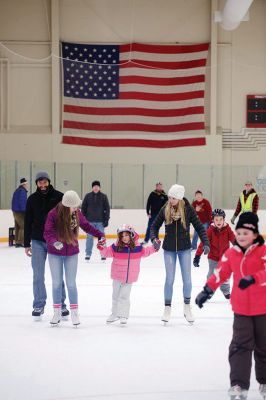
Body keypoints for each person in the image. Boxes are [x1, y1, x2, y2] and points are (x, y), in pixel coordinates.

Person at [195, 212, 266, 399]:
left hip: (263, 309)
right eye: (239, 233)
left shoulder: (263, 252)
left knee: (264, 346)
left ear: (255, 234)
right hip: (241, 309)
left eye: (246, 233)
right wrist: (207, 290)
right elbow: (221, 273)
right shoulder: (231, 253)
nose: (242, 237)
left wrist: (253, 278)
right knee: (240, 346)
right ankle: (238, 384)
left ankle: (265, 382)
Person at [150, 184, 210, 324]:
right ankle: (167, 308)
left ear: (180, 198)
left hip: (185, 249)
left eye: (173, 198)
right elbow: (154, 226)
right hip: (169, 249)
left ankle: (187, 307)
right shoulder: (165, 208)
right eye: (170, 197)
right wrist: (154, 239)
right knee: (169, 279)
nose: (170, 200)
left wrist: (206, 243)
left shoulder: (188, 210)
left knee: (187, 279)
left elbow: (200, 228)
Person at [44, 190, 105, 327]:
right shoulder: (53, 214)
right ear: (66, 206)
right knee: (56, 283)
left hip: (71, 252)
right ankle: (57, 312)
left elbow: (86, 226)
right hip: (55, 253)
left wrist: (100, 234)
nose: (77, 208)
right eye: (74, 206)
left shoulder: (77, 214)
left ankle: (74, 313)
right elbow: (48, 232)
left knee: (71, 283)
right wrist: (54, 242)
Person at [24, 171, 68, 318]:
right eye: (39, 182)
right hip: (37, 241)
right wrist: (26, 243)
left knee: (57, 274)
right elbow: (27, 221)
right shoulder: (32, 199)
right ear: (36, 183)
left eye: (45, 182)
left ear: (49, 181)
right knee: (37, 275)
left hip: (55, 241)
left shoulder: (59, 197)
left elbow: (66, 219)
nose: (42, 185)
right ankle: (38, 305)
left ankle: (61, 305)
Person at [97, 224, 160, 325]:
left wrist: (154, 247)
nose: (124, 238)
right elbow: (106, 253)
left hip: (130, 277)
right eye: (122, 236)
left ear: (131, 235)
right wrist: (102, 248)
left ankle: (123, 315)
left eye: (126, 235)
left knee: (124, 296)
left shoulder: (137, 247)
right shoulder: (116, 247)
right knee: (115, 296)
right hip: (117, 276)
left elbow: (147, 252)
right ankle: (114, 313)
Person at [193, 209, 235, 300]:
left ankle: (226, 291)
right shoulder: (210, 230)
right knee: (212, 275)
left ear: (224, 219)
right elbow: (203, 243)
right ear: (213, 220)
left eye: (220, 219)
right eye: (216, 219)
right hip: (213, 257)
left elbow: (233, 239)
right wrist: (197, 255)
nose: (218, 221)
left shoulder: (227, 229)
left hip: (225, 258)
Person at [82, 180, 110, 261]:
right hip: (89, 221)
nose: (96, 188)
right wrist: (84, 219)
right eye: (94, 186)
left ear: (99, 187)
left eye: (97, 186)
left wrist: (106, 219)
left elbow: (107, 209)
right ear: (92, 187)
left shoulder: (104, 196)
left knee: (101, 238)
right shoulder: (88, 196)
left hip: (100, 222)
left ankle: (103, 253)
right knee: (89, 238)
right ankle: (88, 253)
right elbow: (83, 208)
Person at [11, 177, 28, 247]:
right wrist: (25, 211)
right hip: (20, 211)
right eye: (26, 184)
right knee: (23, 226)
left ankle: (17, 241)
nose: (27, 186)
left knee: (18, 226)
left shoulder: (17, 190)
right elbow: (22, 202)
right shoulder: (22, 191)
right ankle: (20, 242)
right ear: (24, 184)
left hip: (15, 211)